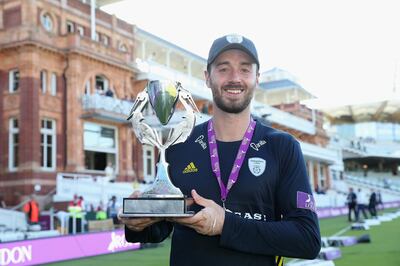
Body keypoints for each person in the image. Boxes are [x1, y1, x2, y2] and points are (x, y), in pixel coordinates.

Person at [120, 34, 321, 265]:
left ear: (257, 78)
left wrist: (225, 225)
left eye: (245, 69)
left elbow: (307, 239)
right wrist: (138, 223)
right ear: (207, 77)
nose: (234, 78)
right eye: (223, 69)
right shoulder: (178, 145)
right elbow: (161, 228)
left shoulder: (283, 147)